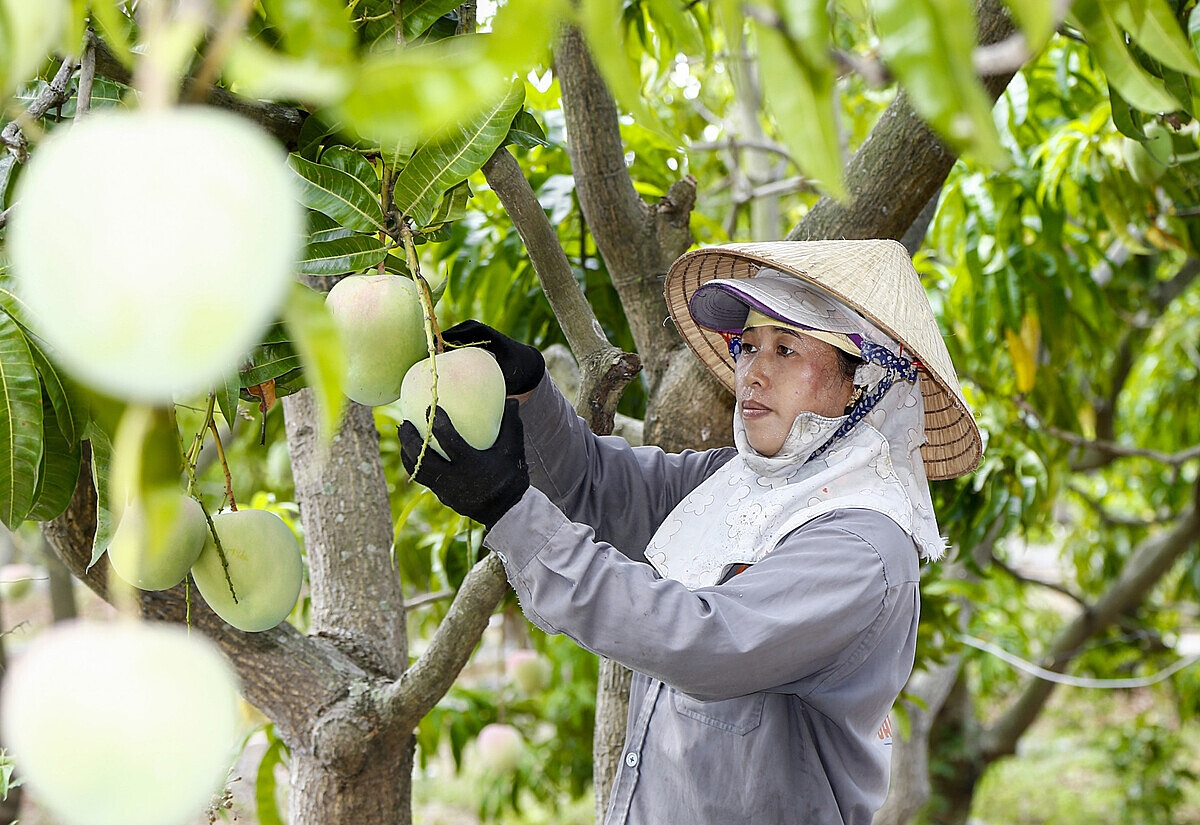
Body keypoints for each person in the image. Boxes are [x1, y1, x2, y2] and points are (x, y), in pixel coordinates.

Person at [398, 239, 982, 825]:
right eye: (749, 346)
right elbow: (602, 489)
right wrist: (529, 393)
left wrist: (507, 508)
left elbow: (705, 643)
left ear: (865, 382)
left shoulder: (862, 548)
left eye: (786, 349)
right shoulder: (740, 483)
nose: (753, 372)